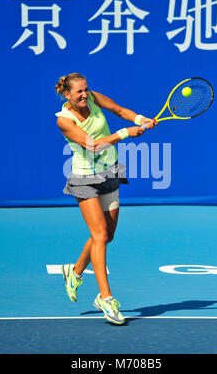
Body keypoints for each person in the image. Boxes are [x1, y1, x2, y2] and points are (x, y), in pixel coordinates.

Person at [55, 73, 156, 325]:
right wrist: (124, 133)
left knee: (107, 235)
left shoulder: (94, 99)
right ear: (66, 94)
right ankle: (106, 298)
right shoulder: (64, 121)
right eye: (78, 92)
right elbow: (91, 146)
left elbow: (120, 110)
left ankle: (75, 271)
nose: (84, 95)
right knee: (99, 235)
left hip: (110, 171)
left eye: (86, 90)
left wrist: (140, 119)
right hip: (84, 179)